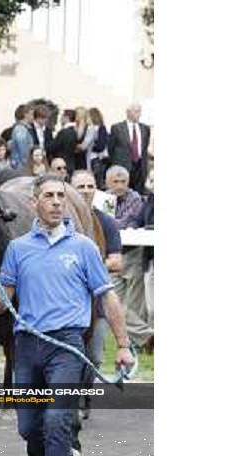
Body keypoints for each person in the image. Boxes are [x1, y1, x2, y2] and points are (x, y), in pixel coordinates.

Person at [0, 174, 133, 456]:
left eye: (62, 195)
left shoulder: (84, 248)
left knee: (58, 416)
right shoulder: (18, 250)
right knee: (29, 426)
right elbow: (2, 304)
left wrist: (123, 345)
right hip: (27, 345)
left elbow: (106, 296)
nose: (57, 201)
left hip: (67, 346)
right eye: (49, 195)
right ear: (35, 202)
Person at [71, 170, 123, 412]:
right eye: (80, 186)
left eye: (90, 186)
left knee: (95, 355)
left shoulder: (107, 223)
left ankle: (84, 394)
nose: (85, 191)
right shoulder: (61, 224)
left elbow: (116, 261)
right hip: (68, 302)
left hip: (97, 302)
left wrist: (90, 266)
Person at [106, 165, 154, 353]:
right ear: (108, 182)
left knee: (135, 304)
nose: (119, 186)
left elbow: (128, 221)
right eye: (115, 182)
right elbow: (108, 221)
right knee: (114, 301)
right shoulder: (105, 199)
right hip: (112, 255)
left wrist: (117, 226)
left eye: (123, 182)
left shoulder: (134, 198)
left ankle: (138, 343)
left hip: (131, 253)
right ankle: (148, 337)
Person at [108, 102, 151, 194]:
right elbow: (111, 148)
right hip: (123, 165)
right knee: (122, 192)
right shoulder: (117, 128)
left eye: (139, 111)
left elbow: (144, 148)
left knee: (139, 193)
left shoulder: (145, 128)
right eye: (136, 111)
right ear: (128, 112)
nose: (139, 114)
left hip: (140, 167)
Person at [130, 170, 154, 329]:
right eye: (151, 180)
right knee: (150, 305)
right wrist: (133, 228)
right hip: (150, 257)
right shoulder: (150, 200)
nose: (151, 184)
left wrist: (147, 228)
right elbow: (138, 219)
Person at [86, 107, 109, 189]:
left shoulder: (101, 128)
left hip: (96, 160)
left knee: (96, 184)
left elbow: (101, 146)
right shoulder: (87, 128)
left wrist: (89, 147)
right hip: (88, 160)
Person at [51, 109, 78, 174]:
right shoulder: (75, 131)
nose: (60, 118)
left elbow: (54, 147)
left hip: (61, 165)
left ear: (66, 117)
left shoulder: (63, 132)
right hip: (71, 163)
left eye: (62, 116)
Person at [10, 104, 34, 170]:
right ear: (26, 114)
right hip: (21, 166)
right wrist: (28, 165)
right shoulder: (20, 129)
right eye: (31, 114)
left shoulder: (23, 129)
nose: (33, 117)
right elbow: (23, 151)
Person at [74, 106, 90, 171]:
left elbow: (84, 146)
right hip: (74, 158)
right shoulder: (74, 127)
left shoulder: (88, 128)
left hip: (83, 158)